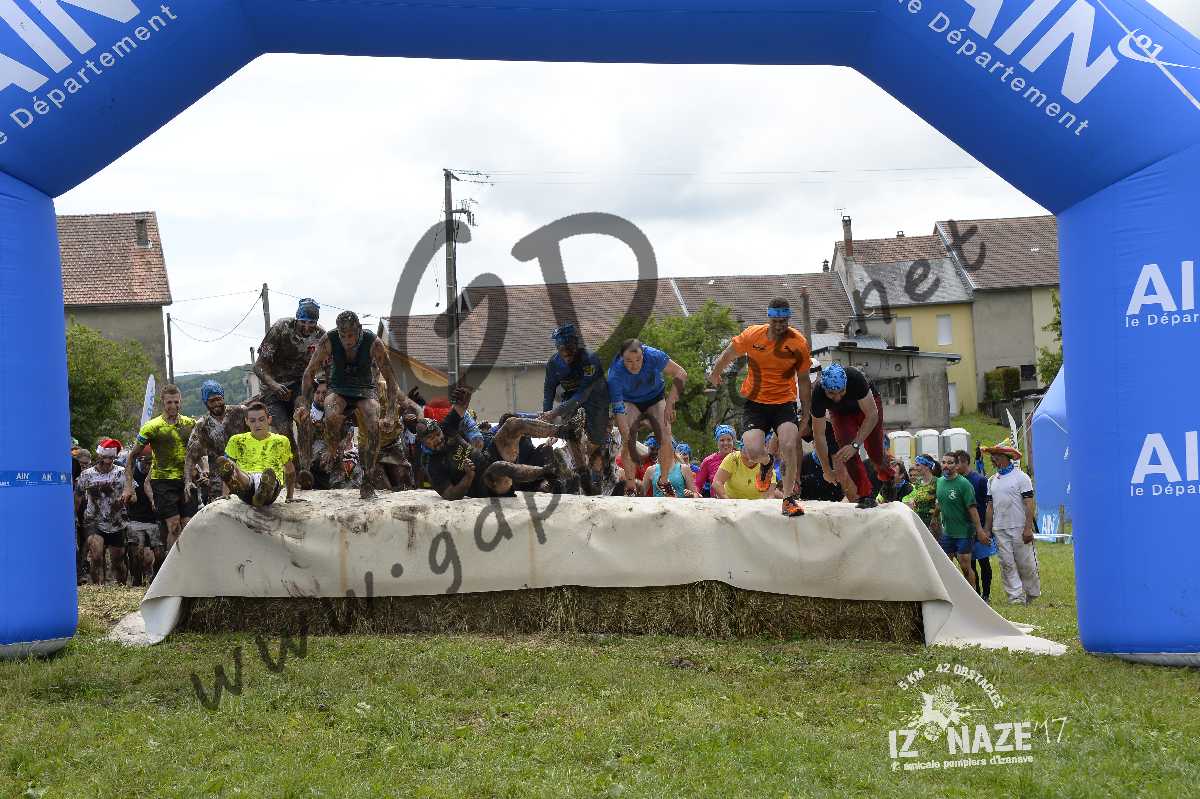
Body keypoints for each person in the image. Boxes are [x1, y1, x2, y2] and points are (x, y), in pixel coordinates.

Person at [707, 298, 812, 517]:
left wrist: (805, 413)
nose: (780, 326)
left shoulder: (798, 343)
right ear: (769, 318)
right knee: (753, 451)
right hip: (756, 403)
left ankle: (788, 499)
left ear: (788, 319)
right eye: (776, 321)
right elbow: (729, 353)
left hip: (784, 402)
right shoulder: (753, 335)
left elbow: (803, 381)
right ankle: (767, 462)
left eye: (784, 321)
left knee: (789, 444)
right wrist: (716, 372)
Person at [297, 310, 401, 500]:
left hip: (365, 389)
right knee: (331, 411)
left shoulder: (373, 342)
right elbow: (309, 372)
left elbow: (391, 379)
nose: (347, 340)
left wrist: (392, 413)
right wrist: (304, 402)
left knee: (373, 418)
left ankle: (368, 477)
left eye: (351, 335)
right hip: (339, 388)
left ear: (359, 330)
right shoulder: (329, 340)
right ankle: (332, 448)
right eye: (343, 336)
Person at [418, 387, 578, 500]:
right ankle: (550, 471)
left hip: (489, 456)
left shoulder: (446, 428)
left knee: (512, 423)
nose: (437, 439)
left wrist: (464, 396)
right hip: (487, 485)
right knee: (499, 467)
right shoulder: (432, 465)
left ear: (439, 428)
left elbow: (460, 408)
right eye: (430, 439)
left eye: (437, 434)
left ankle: (565, 432)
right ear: (423, 442)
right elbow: (450, 494)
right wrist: (468, 476)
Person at [608, 339, 688, 497]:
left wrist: (671, 402)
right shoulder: (615, 373)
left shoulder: (653, 355)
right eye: (629, 361)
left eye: (638, 360)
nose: (634, 365)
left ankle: (663, 481)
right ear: (622, 359)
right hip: (629, 401)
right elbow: (618, 409)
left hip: (655, 398)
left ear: (643, 354)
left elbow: (681, 373)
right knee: (628, 440)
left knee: (666, 436)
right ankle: (631, 486)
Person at [810, 363, 896, 510]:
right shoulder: (818, 395)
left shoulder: (855, 378)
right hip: (841, 413)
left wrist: (855, 445)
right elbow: (818, 436)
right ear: (824, 389)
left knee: (874, 451)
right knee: (846, 453)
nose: (837, 397)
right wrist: (826, 469)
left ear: (846, 384)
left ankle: (887, 478)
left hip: (867, 409)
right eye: (831, 393)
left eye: (841, 391)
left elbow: (872, 415)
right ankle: (865, 494)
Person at [124, 384, 197, 551]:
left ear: (181, 401)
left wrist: (202, 469)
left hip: (186, 479)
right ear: (163, 402)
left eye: (176, 402)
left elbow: (198, 451)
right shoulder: (152, 426)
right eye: (169, 402)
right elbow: (132, 456)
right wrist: (128, 486)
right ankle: (172, 564)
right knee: (174, 525)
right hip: (163, 481)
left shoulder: (190, 424)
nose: (173, 406)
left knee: (188, 525)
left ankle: (185, 561)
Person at [254, 297, 326, 464]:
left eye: (311, 323)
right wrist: (274, 385)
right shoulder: (281, 328)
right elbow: (258, 366)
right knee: (284, 430)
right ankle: (294, 467)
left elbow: (329, 367)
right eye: (303, 322)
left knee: (304, 419)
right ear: (296, 319)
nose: (307, 327)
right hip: (273, 388)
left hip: (300, 386)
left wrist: (324, 386)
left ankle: (307, 467)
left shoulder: (321, 336)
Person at [541, 323, 611, 494]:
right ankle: (583, 474)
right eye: (562, 350)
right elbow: (548, 392)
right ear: (557, 349)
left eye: (570, 350)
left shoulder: (590, 359)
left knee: (595, 441)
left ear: (576, 345)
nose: (566, 354)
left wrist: (555, 412)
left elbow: (583, 395)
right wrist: (546, 416)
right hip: (570, 396)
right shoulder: (553, 364)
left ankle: (597, 474)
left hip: (595, 397)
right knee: (569, 430)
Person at [983, 445, 1041, 605]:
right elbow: (990, 506)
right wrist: (987, 529)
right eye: (992, 456)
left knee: (1026, 563)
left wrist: (1028, 528)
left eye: (995, 455)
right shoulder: (991, 480)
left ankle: (1032, 593)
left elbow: (1029, 503)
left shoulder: (1021, 477)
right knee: (1006, 563)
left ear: (1004, 457)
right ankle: (1015, 597)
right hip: (999, 528)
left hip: (1019, 527)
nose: (992, 459)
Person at [216, 402, 297, 507]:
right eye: (252, 421)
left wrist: (289, 497)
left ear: (269, 420)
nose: (257, 424)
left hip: (272, 487)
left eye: (261, 420)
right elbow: (227, 468)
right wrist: (225, 494)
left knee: (269, 479)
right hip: (245, 484)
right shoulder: (237, 440)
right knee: (238, 472)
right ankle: (245, 482)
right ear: (246, 421)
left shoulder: (281, 441)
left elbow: (290, 470)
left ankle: (263, 490)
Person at [184, 380, 248, 504]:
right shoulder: (202, 425)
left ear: (223, 397)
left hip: (244, 474)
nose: (216, 404)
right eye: (211, 401)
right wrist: (188, 481)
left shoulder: (240, 412)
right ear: (205, 402)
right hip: (218, 482)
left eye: (218, 399)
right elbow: (191, 456)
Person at [76, 439, 128, 584]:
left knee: (117, 562)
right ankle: (97, 587)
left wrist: (126, 498)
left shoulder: (122, 472)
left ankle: (122, 587)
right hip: (94, 520)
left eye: (112, 457)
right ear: (99, 456)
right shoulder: (87, 474)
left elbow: (132, 493)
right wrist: (74, 515)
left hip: (116, 522)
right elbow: (78, 496)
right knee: (96, 556)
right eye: (106, 457)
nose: (108, 461)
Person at [935, 453, 988, 587]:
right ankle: (951, 594)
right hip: (947, 532)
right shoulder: (939, 482)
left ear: (956, 465)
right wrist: (934, 517)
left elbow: (972, 509)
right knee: (946, 566)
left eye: (950, 463)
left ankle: (973, 594)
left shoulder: (964, 484)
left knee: (965, 566)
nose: (946, 466)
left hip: (964, 532)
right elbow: (940, 503)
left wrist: (980, 531)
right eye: (943, 462)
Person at [956, 449, 995, 602]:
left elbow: (988, 505)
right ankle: (975, 594)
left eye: (957, 463)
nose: (954, 466)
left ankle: (986, 594)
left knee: (984, 562)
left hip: (980, 529)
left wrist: (986, 529)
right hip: (964, 530)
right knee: (969, 564)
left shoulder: (980, 480)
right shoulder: (956, 481)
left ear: (965, 462)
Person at [123, 449, 163, 585]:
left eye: (151, 463)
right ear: (138, 460)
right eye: (145, 462)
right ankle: (136, 581)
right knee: (136, 552)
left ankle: (156, 579)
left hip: (155, 520)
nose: (147, 466)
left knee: (159, 553)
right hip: (136, 519)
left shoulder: (159, 474)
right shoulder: (131, 475)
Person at [697, 425, 738, 498]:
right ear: (717, 442)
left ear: (733, 441)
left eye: (729, 440)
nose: (726, 443)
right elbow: (697, 484)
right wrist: (695, 493)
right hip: (717, 502)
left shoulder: (740, 458)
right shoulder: (708, 461)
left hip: (739, 501)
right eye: (722, 440)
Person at [904, 454, 940, 532]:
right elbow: (915, 498)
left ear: (927, 466)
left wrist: (934, 518)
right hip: (919, 521)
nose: (915, 468)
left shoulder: (937, 482)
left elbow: (939, 503)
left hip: (932, 522)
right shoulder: (918, 482)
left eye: (918, 465)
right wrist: (912, 501)